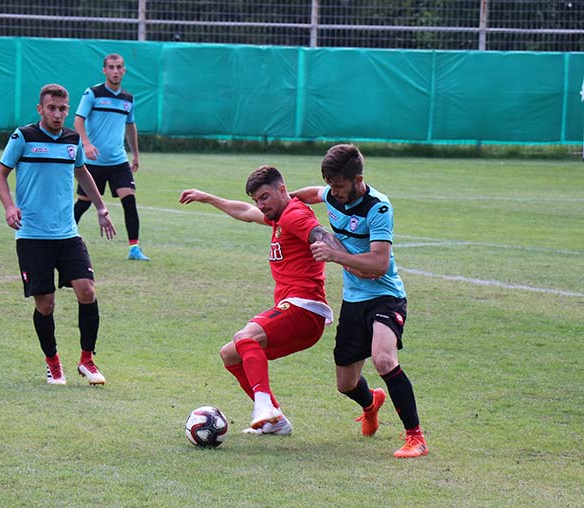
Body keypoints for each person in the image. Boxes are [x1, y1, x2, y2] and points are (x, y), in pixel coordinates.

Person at [179, 165, 341, 435]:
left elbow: (321, 237)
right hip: (297, 311)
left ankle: (265, 407)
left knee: (246, 336)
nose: (260, 205)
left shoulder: (293, 215)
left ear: (282, 189)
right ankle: (276, 423)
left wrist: (357, 263)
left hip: (304, 308)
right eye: (257, 199)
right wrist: (207, 197)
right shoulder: (279, 215)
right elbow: (245, 212)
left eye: (264, 197)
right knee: (230, 353)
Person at [291, 144, 428, 458]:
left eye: (339, 186)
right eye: (331, 185)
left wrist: (335, 254)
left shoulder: (378, 208)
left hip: (386, 297)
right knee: (345, 383)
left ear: (358, 179)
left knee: (383, 360)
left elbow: (379, 264)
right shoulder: (330, 193)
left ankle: (415, 438)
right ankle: (370, 403)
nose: (334, 193)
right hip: (353, 301)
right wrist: (286, 204)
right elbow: (309, 194)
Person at [0, 83, 117, 386]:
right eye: (52, 108)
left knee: (87, 291)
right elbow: (0, 174)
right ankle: (53, 363)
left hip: (66, 233)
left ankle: (87, 360)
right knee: (45, 304)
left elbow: (82, 172)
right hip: (32, 234)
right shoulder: (23, 137)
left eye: (63, 109)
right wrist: (10, 207)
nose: (58, 114)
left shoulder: (72, 139)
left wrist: (101, 207)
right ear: (40, 109)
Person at [73, 53, 148, 261]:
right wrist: (86, 144)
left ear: (124, 70)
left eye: (119, 67)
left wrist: (135, 154)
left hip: (118, 161)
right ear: (104, 70)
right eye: (111, 67)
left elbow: (130, 126)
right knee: (84, 204)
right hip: (93, 162)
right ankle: (60, 237)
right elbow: (78, 120)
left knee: (129, 199)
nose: (115, 71)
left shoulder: (127, 98)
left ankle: (134, 248)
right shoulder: (93, 93)